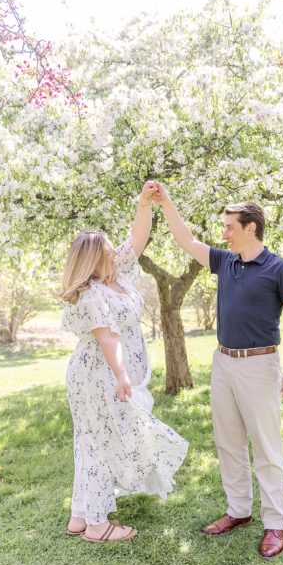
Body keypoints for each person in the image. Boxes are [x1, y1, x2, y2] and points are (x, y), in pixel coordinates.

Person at [153, 184, 283, 559]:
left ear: (250, 228)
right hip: (223, 362)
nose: (223, 233)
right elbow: (185, 240)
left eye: (229, 226)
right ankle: (239, 511)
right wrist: (166, 202)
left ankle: (275, 524)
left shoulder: (280, 268)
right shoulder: (225, 262)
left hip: (260, 364)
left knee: (266, 448)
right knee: (228, 443)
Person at [60, 181, 188, 543]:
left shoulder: (116, 275)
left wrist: (145, 202)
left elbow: (137, 237)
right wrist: (121, 376)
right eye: (108, 251)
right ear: (94, 260)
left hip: (108, 371)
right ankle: (99, 525)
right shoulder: (91, 293)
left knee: (90, 439)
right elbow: (107, 338)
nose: (117, 252)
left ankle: (81, 515)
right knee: (101, 440)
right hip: (98, 372)